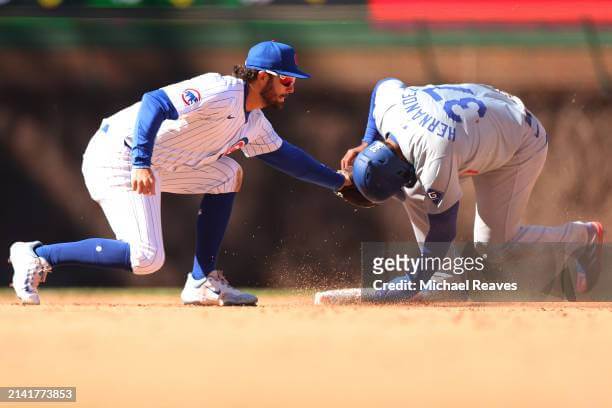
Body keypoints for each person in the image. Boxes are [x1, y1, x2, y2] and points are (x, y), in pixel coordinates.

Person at [9, 41, 349, 306]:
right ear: (262, 76)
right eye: (287, 79)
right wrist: (141, 162)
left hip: (156, 163)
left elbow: (287, 157)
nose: (291, 88)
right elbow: (153, 102)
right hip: (118, 155)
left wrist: (339, 184)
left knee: (228, 174)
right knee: (146, 259)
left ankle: (202, 281)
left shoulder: (255, 122)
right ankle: (37, 255)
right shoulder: (221, 89)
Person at [338, 78, 603, 301]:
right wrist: (366, 141)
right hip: (488, 114)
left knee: (494, 246)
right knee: (416, 191)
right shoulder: (390, 111)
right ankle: (446, 278)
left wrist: (413, 281)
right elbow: (383, 85)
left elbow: (442, 230)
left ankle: (582, 237)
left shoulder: (435, 159)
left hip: (520, 144)